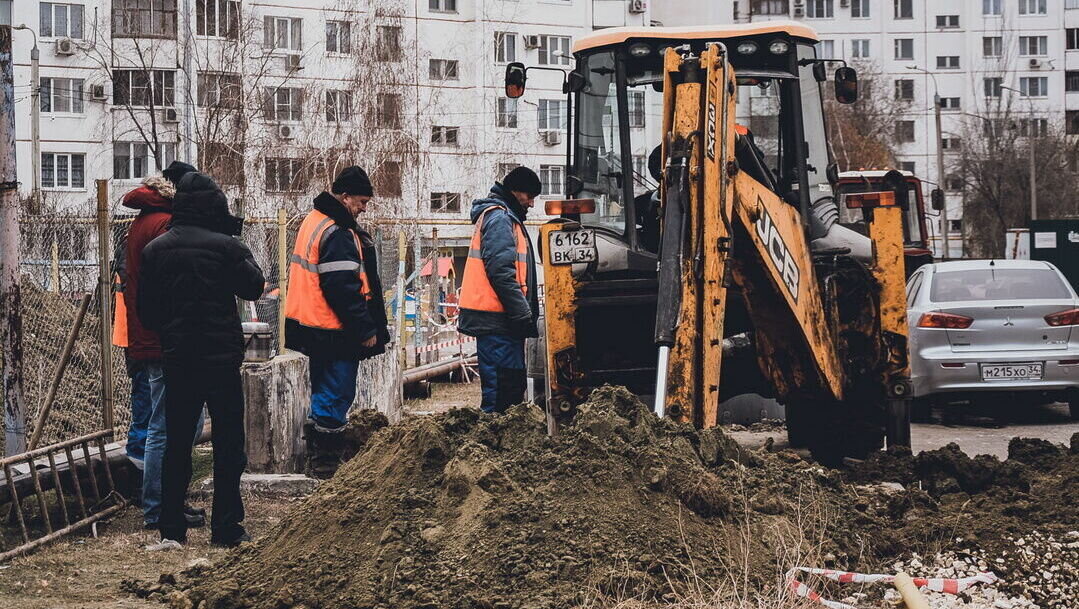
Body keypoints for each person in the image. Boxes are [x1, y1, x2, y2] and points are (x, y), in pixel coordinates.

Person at [138, 172, 264, 548]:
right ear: (215, 206)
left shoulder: (155, 250)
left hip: (179, 358)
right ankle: (226, 528)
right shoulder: (226, 247)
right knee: (229, 444)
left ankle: (171, 528)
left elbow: (147, 311)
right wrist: (236, 243)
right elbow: (254, 286)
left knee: (177, 443)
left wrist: (172, 333)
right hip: (221, 359)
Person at [284, 166, 391, 478]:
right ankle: (326, 465)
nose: (363, 208)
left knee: (324, 392)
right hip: (333, 329)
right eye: (360, 202)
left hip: (314, 324)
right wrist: (365, 329)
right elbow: (343, 288)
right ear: (344, 197)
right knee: (336, 392)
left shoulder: (315, 221)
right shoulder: (338, 232)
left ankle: (320, 457)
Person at [120, 163, 206, 530]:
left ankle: (166, 502)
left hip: (151, 335)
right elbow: (174, 284)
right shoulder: (162, 225)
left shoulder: (146, 221)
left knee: (173, 424)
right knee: (165, 426)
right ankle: (157, 508)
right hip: (163, 338)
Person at [457, 166, 541, 414]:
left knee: (509, 388)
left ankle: (499, 441)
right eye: (530, 196)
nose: (532, 204)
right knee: (501, 392)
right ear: (517, 192)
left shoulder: (504, 218)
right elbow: (501, 272)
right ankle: (491, 443)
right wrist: (521, 312)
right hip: (497, 320)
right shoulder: (500, 219)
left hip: (502, 320)